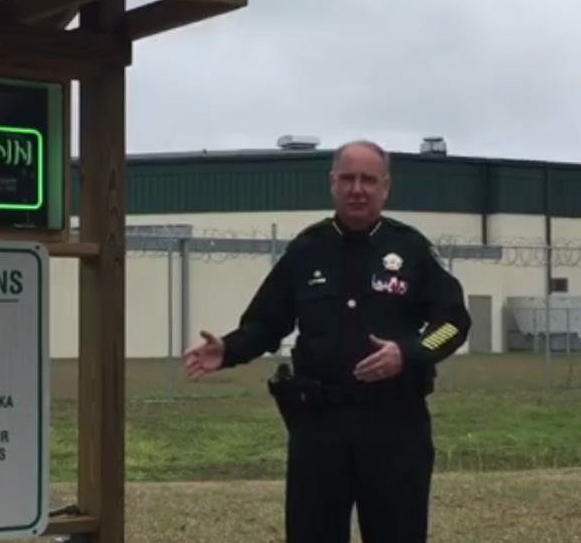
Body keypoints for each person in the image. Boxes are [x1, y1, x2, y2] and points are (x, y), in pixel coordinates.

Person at [183, 139, 471, 543]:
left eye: (368, 180)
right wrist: (229, 349)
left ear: (385, 187)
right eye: (348, 178)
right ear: (332, 183)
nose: (358, 189)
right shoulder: (306, 249)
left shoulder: (411, 249)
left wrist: (408, 353)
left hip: (395, 427)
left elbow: (454, 323)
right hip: (320, 429)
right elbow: (266, 323)